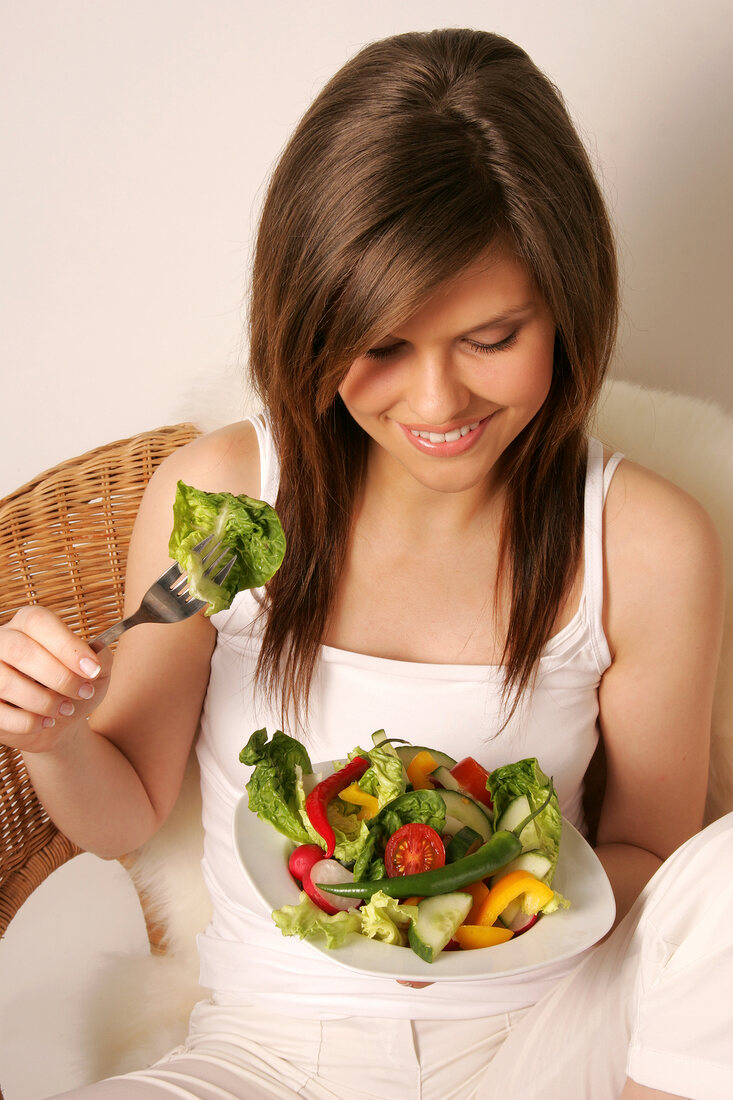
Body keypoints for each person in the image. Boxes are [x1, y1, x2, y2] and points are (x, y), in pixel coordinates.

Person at [0, 28, 728, 1100]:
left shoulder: (645, 539)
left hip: (552, 1042)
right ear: (309, 319)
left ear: (567, 307)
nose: (435, 405)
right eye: (381, 345)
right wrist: (50, 734)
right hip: (270, 1055)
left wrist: (472, 903)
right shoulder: (227, 500)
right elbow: (127, 807)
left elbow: (654, 863)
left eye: (490, 337)